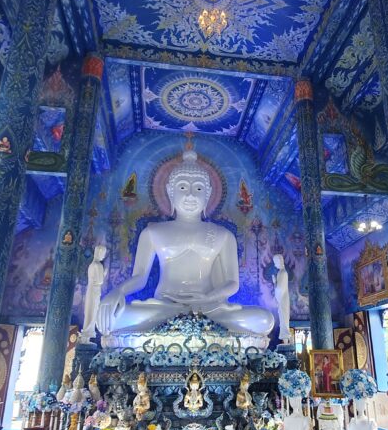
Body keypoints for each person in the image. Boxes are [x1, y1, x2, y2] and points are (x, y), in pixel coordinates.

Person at [99, 144, 274, 336]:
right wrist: (117, 292)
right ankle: (192, 325)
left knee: (265, 319)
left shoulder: (223, 235)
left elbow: (232, 283)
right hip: (165, 306)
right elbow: (139, 278)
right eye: (183, 187)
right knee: (113, 318)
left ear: (207, 194)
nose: (190, 194)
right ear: (170, 191)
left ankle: (182, 324)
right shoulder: (153, 232)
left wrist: (206, 299)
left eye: (198, 188)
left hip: (210, 308)